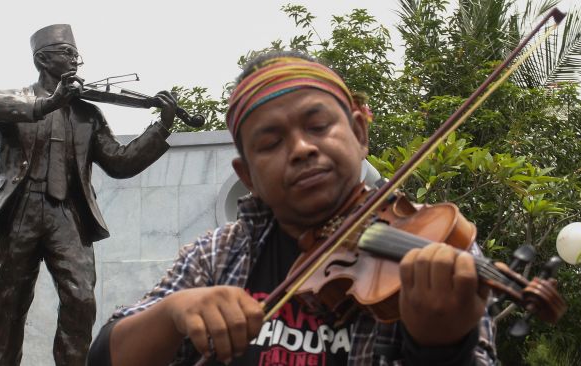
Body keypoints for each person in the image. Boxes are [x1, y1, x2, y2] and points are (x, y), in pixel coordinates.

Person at [87, 51, 496, 365]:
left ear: (358, 132)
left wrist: (440, 347)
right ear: (247, 176)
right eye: (270, 143)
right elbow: (105, 356)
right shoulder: (218, 255)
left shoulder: (431, 243)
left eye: (318, 127)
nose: (301, 149)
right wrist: (172, 313)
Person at [0, 24, 177, 366]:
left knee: (81, 301)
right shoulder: (17, 102)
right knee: (9, 305)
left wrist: (161, 126)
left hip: (69, 215)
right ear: (43, 59)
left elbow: (120, 163)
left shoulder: (88, 114)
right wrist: (47, 104)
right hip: (21, 210)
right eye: (68, 53)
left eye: (76, 54)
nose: (76, 60)